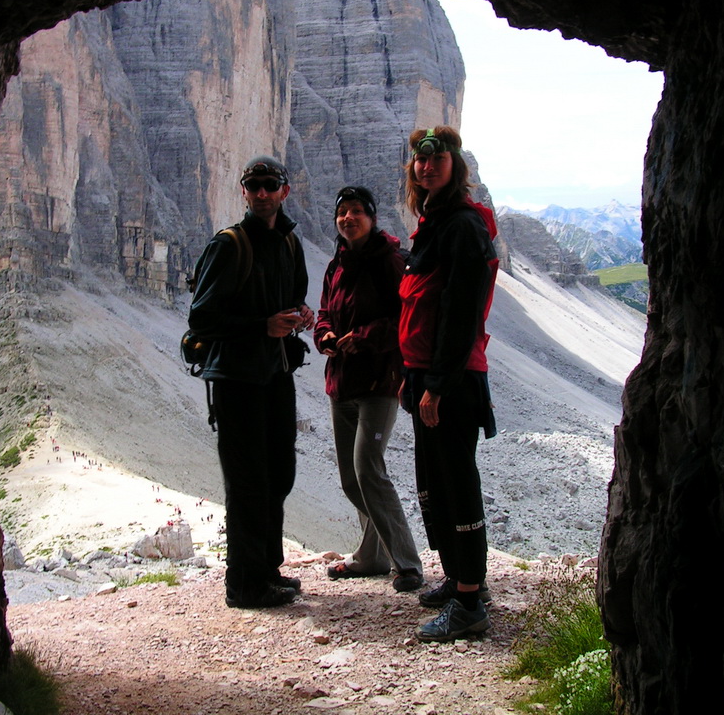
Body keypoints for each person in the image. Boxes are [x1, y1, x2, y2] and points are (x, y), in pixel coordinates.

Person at [188, 155, 314, 609]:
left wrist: (301, 316)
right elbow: (201, 318)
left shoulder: (290, 244)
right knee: (247, 482)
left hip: (277, 373)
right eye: (253, 185)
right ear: (244, 191)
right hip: (237, 380)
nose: (261, 193)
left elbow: (292, 296)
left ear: (284, 190)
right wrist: (262, 326)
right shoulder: (230, 244)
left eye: (269, 184)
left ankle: (267, 569)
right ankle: (244, 585)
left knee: (279, 473)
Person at [398, 126, 499, 641]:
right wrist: (413, 380)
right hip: (429, 376)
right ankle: (462, 581)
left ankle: (469, 604)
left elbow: (459, 314)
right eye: (420, 159)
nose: (427, 165)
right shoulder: (434, 224)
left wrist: (435, 385)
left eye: (438, 159)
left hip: (453, 381)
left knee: (457, 485)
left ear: (455, 167)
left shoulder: (460, 226)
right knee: (437, 481)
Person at [314, 186, 425, 593]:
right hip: (340, 383)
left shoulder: (389, 260)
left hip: (378, 383)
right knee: (349, 478)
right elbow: (325, 311)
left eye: (357, 211)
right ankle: (372, 557)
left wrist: (360, 338)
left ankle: (407, 563)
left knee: (368, 471)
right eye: (342, 212)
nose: (348, 218)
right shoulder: (335, 264)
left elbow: (404, 318)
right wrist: (324, 335)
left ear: (372, 217)